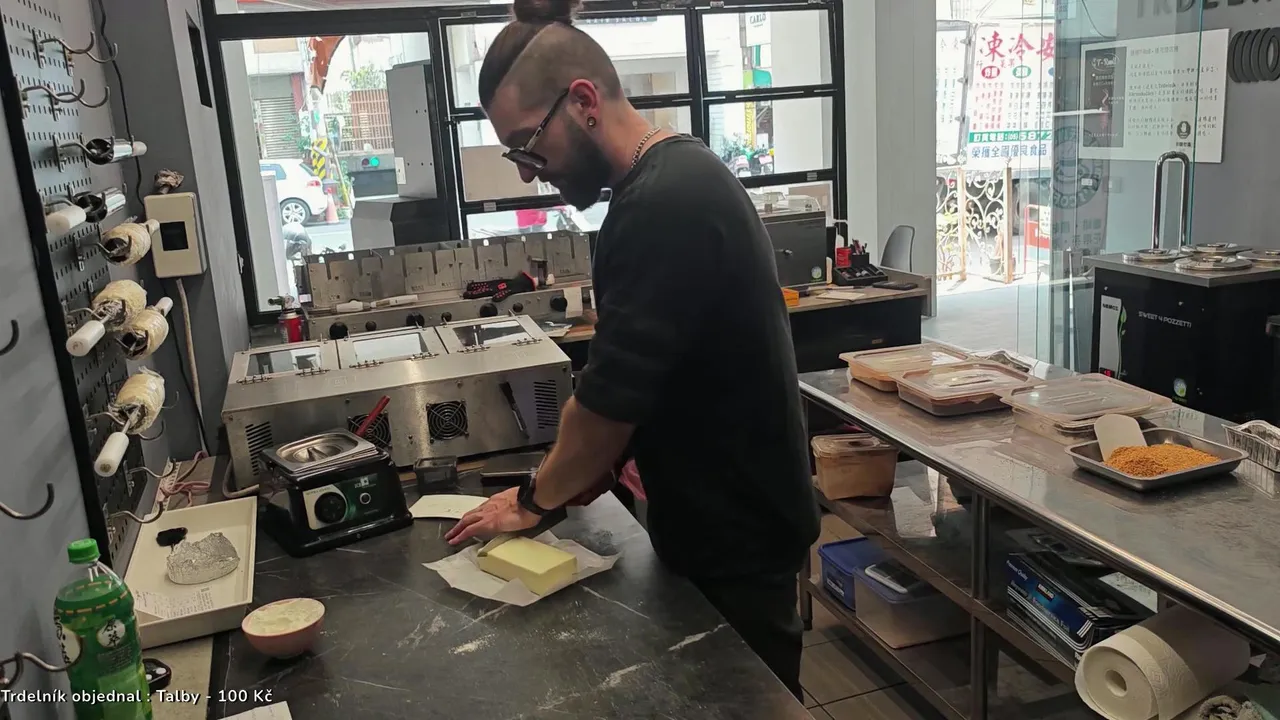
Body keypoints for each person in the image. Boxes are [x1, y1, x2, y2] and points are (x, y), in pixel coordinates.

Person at [444, 0, 820, 698]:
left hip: (736, 539)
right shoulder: (674, 175)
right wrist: (586, 471)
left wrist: (533, 501)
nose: (528, 173)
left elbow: (607, 403)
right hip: (725, 521)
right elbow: (655, 375)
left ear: (583, 102)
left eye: (529, 145)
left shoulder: (660, 204)